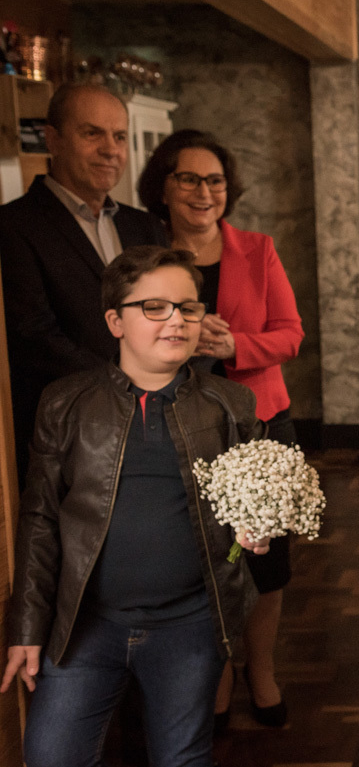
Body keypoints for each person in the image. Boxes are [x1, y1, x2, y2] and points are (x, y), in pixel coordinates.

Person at [0, 245, 268, 767]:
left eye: (188, 308)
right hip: (85, 625)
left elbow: (252, 511)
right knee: (52, 754)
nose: (176, 321)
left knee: (181, 758)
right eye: (154, 307)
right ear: (114, 321)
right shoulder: (66, 403)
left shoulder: (229, 405)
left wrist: (248, 539)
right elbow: (39, 520)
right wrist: (27, 628)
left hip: (189, 624)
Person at [137, 130, 304, 730]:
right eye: (189, 179)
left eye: (216, 181)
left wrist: (238, 344)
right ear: (163, 186)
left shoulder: (257, 250)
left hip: (259, 427)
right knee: (199, 561)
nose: (204, 192)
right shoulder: (145, 255)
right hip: (176, 430)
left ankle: (260, 669)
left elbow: (290, 333)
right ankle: (219, 673)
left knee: (266, 565)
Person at [0, 83, 167, 482]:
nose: (110, 149)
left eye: (119, 136)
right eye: (92, 133)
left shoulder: (143, 226)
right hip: (70, 435)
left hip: (154, 425)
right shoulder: (12, 227)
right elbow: (33, 335)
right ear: (52, 139)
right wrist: (128, 388)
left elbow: (166, 309)